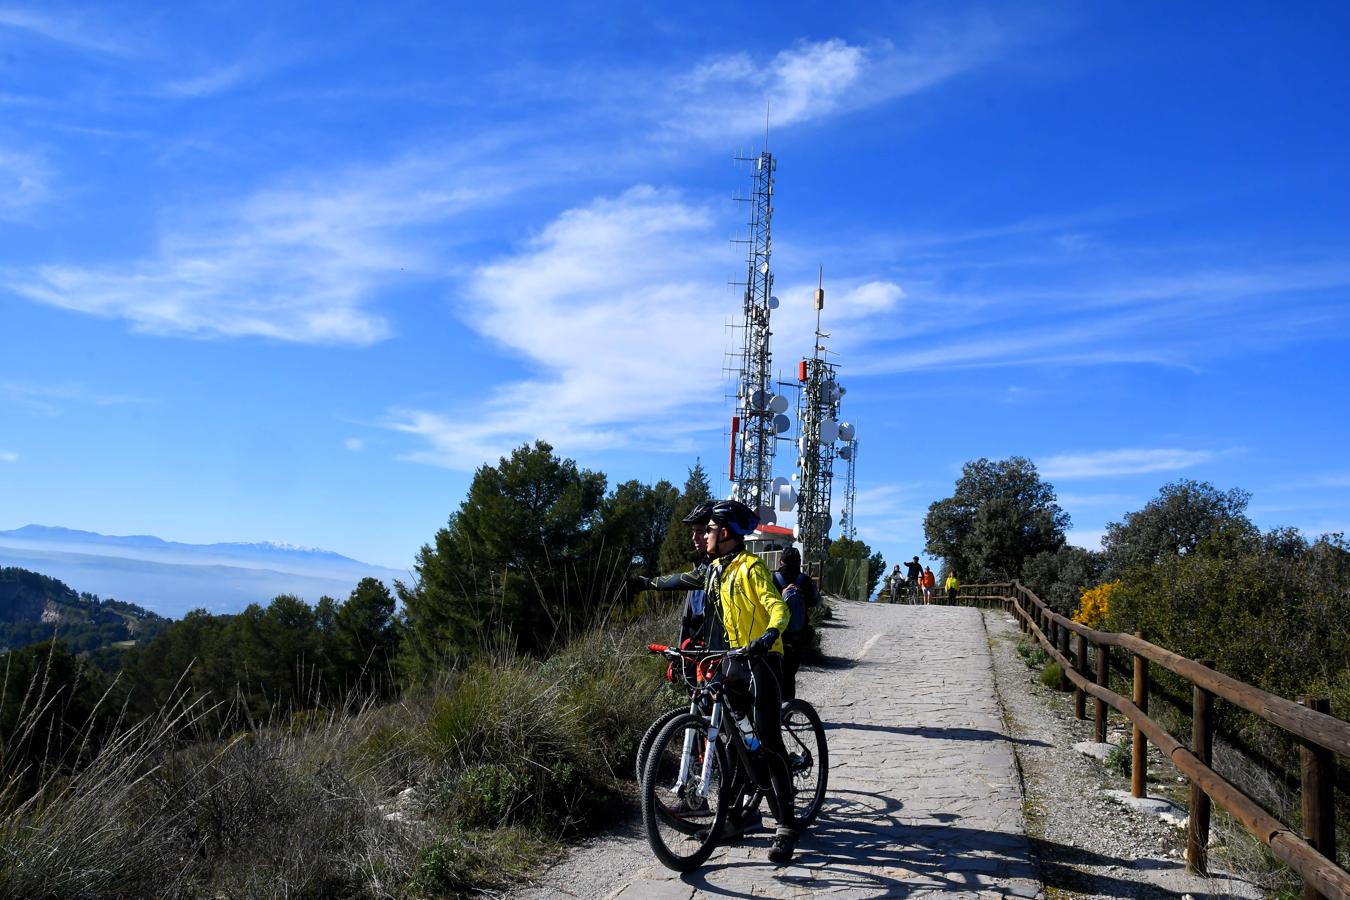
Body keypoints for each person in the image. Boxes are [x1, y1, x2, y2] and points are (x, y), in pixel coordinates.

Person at [700, 499, 799, 864]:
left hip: (762, 661)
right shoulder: (720, 570)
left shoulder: (751, 567)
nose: (706, 534)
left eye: (710, 529)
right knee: (734, 742)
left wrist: (768, 636)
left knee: (767, 741)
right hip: (735, 661)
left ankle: (787, 826)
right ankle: (735, 817)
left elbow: (778, 608)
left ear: (725, 532)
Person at [627, 501, 722, 649]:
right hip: (695, 646)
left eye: (700, 531)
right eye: (693, 531)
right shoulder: (700, 564)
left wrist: (647, 583)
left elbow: (681, 581)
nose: (694, 537)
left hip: (716, 651)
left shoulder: (719, 568)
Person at [772, 546, 819, 701]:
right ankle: (789, 710)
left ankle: (774, 711)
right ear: (799, 562)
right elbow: (814, 602)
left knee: (774, 675)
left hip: (777, 635)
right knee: (789, 676)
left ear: (781, 560)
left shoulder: (773, 579)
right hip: (798, 636)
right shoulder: (805, 580)